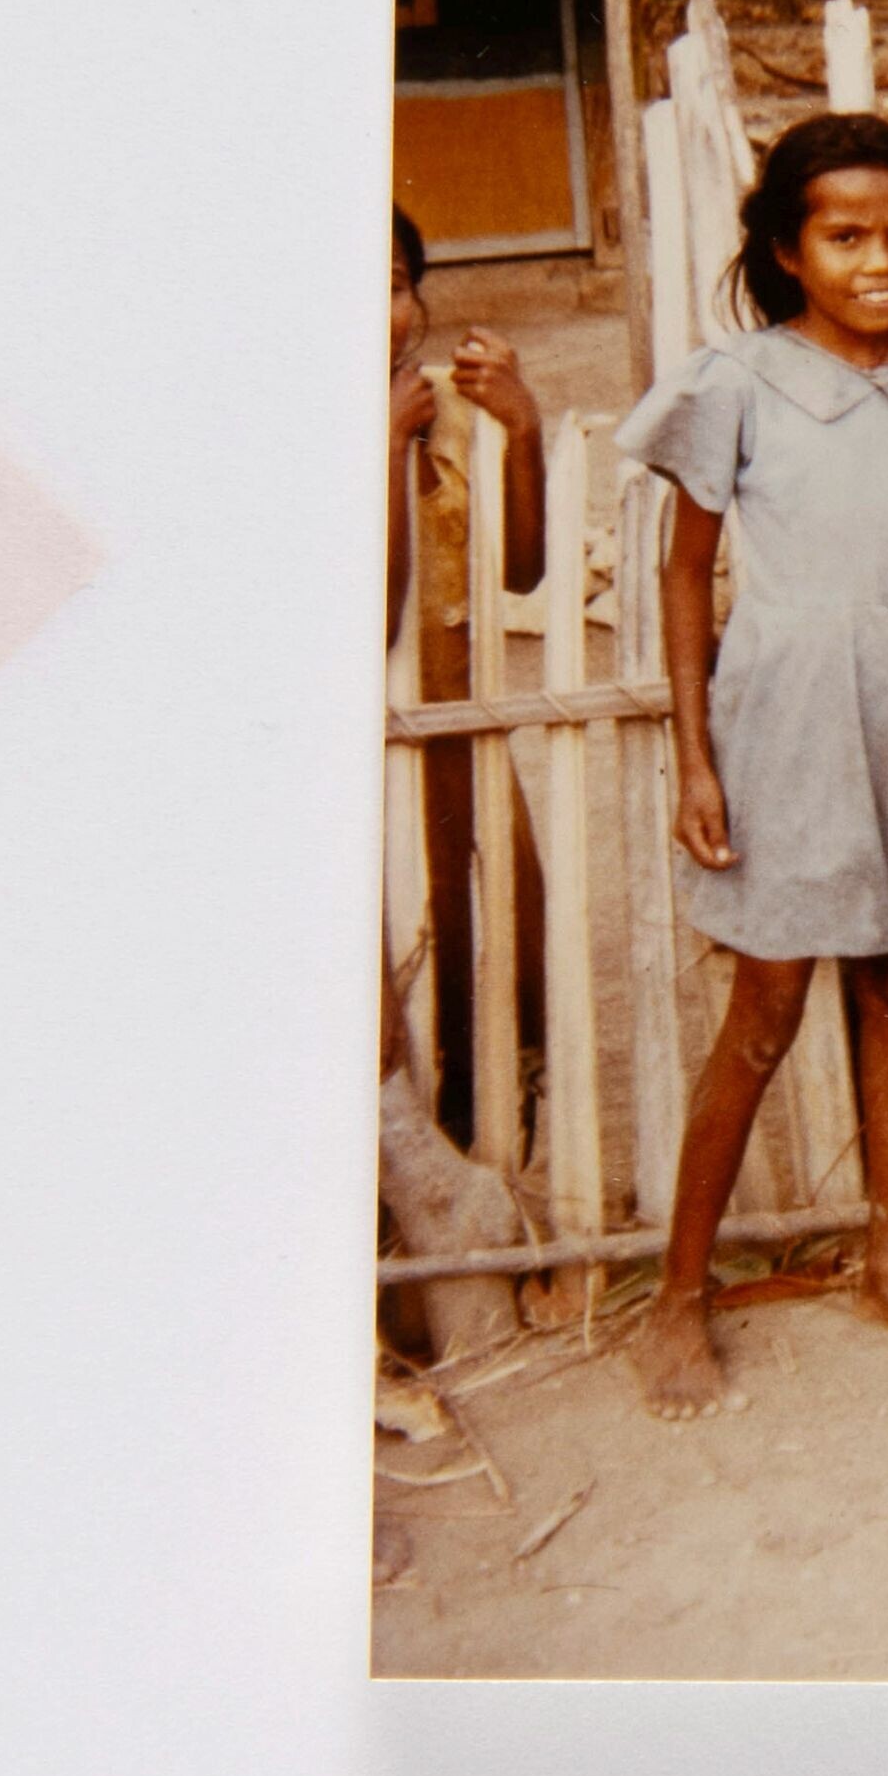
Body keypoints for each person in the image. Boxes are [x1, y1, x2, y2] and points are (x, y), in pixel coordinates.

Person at [615, 113, 888, 1419]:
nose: (881, 261)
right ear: (788, 252)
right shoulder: (736, 383)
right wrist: (697, 758)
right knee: (766, 1006)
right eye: (845, 236)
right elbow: (686, 575)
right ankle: (676, 1296)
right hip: (788, 709)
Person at [384, 206, 546, 1159]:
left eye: (395, 286)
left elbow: (519, 574)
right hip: (381, 759)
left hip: (465, 736)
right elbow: (376, 617)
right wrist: (383, 449)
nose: (383, 313)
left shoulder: (444, 414)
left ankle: (490, 1160)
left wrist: (522, 431)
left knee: (492, 948)